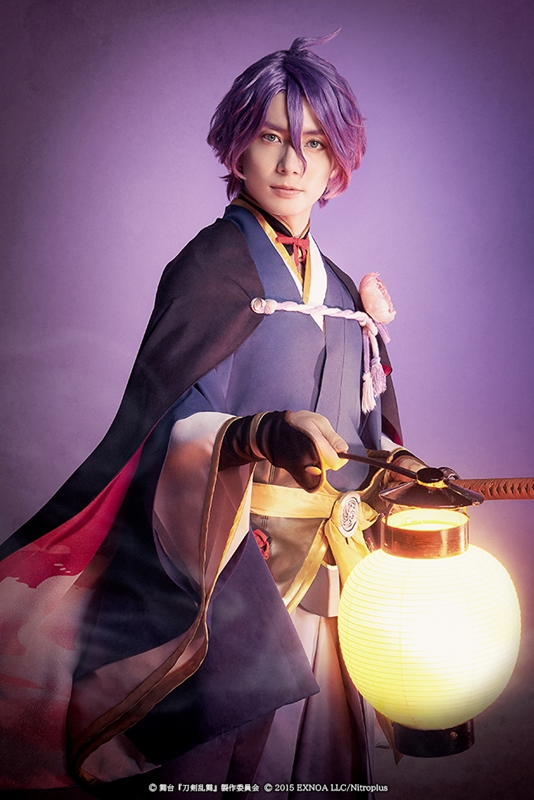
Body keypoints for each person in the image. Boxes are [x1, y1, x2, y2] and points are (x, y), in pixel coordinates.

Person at [0, 32, 423, 799]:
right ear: (237, 148)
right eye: (271, 137)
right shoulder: (210, 267)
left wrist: (403, 467)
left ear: (337, 164)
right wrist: (258, 435)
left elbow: (368, 432)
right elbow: (166, 426)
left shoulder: (338, 288)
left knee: (316, 760)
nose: (292, 163)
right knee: (212, 761)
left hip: (327, 576)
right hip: (230, 572)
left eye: (315, 143)